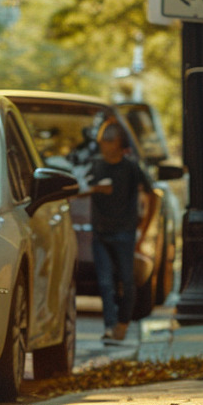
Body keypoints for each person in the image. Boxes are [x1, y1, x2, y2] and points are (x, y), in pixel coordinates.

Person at [88, 119, 155, 343]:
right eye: (103, 141)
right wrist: (95, 189)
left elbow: (151, 193)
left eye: (110, 141)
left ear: (119, 143)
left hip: (124, 231)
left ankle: (123, 323)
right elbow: (79, 188)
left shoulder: (130, 167)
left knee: (126, 280)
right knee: (105, 282)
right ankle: (110, 326)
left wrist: (143, 228)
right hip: (100, 231)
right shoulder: (95, 166)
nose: (106, 145)